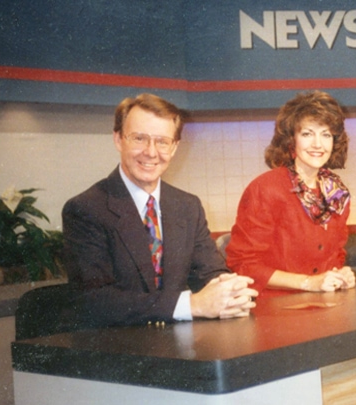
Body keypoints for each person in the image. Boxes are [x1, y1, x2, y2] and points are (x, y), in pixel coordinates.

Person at [62, 93, 258, 328]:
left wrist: (229, 291)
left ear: (174, 147)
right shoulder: (86, 209)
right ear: (118, 140)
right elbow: (95, 300)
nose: (151, 152)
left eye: (162, 142)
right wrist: (192, 305)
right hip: (119, 350)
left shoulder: (187, 206)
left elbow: (209, 272)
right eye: (139, 139)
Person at [225, 91, 355, 296]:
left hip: (322, 306)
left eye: (326, 134)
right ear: (291, 140)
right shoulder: (266, 189)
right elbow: (243, 264)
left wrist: (340, 273)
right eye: (307, 134)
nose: (318, 144)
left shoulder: (337, 193)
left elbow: (335, 255)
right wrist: (308, 283)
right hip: (274, 310)